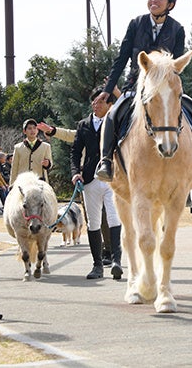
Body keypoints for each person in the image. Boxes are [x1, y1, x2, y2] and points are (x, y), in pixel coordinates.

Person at [93, 0, 192, 182]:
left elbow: (176, 65)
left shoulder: (177, 29)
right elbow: (122, 58)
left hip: (165, 88)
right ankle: (106, 161)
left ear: (170, 4)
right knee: (112, 115)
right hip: (135, 87)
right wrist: (108, 89)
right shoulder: (136, 24)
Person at [69, 88, 123, 280]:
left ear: (110, 105)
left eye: (100, 101)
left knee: (114, 218)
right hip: (90, 179)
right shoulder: (83, 125)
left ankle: (117, 260)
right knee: (93, 222)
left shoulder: (117, 123)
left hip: (113, 179)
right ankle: (97, 265)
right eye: (94, 102)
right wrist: (76, 173)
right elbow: (75, 152)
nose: (95, 104)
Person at [10, 119, 53, 186]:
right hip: (23, 183)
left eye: (34, 128)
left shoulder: (46, 146)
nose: (32, 130)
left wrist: (47, 164)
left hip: (40, 182)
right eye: (29, 128)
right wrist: (12, 184)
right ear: (24, 131)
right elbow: (14, 168)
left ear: (37, 130)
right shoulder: (18, 147)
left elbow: (50, 164)